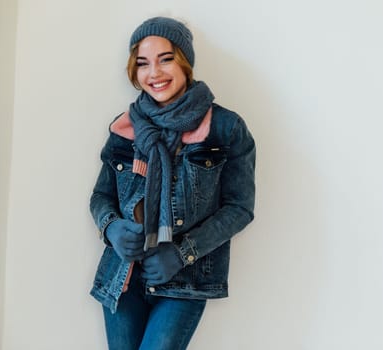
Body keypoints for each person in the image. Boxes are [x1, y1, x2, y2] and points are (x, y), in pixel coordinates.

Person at [89, 16, 256, 350]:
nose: (155, 73)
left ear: (185, 61)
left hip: (183, 282)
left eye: (165, 59)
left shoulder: (225, 128)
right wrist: (112, 229)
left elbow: (239, 208)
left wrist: (182, 253)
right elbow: (101, 196)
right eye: (143, 63)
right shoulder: (125, 128)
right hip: (122, 276)